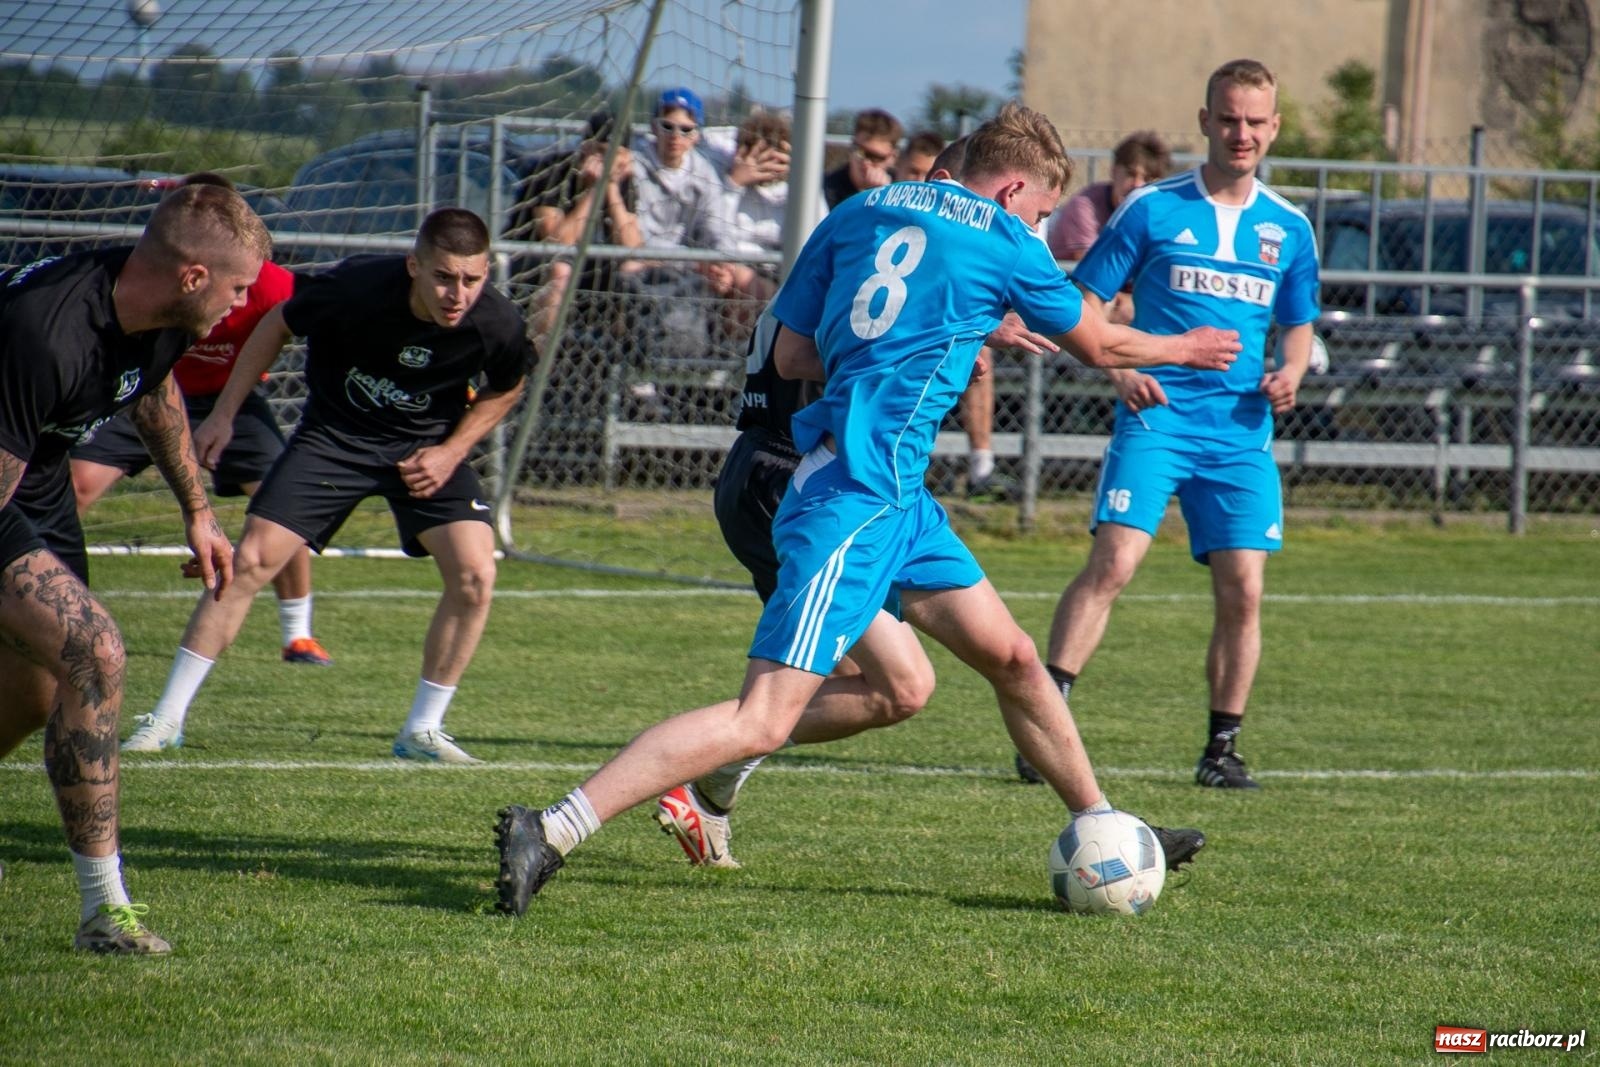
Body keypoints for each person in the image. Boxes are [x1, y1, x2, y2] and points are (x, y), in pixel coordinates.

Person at [492, 103, 1240, 914]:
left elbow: (789, 351)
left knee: (1014, 658)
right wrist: (1183, 347)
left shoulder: (861, 208)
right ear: (1015, 186)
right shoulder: (1003, 235)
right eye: (1040, 211)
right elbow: (1097, 341)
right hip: (850, 499)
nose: (1038, 227)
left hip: (896, 497)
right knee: (761, 718)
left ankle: (1105, 822)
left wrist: (944, 331)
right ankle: (556, 825)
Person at [124, 209, 535, 764]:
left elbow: (508, 387)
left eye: (471, 278)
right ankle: (164, 719)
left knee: (476, 573)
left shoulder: (496, 322)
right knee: (249, 562)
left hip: (424, 452)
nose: (456, 293)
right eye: (442, 276)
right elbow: (276, 325)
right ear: (414, 265)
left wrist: (452, 451)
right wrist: (224, 414)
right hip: (335, 438)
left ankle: (422, 731)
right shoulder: (356, 286)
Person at [0, 182, 267, 953]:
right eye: (238, 287)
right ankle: (103, 911)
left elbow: (150, 390)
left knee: (40, 683)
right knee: (94, 647)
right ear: (192, 277)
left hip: (36, 468)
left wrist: (198, 509)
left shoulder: (159, 313)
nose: (242, 306)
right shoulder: (45, 333)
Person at [1043, 59, 1320, 791]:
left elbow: (1297, 327)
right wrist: (1119, 370)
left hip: (1239, 430)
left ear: (1274, 128)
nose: (1242, 133)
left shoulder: (1289, 227)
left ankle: (1221, 750)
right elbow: (1085, 305)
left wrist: (1291, 371)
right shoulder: (1151, 209)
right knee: (1115, 564)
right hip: (1157, 417)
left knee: (1245, 589)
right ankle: (1043, 719)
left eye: (1256, 121)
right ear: (1204, 121)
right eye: (1229, 118)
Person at [69, 172, 331, 675]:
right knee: (76, 484)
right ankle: (42, 590)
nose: (236, 297)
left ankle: (298, 633)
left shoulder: (271, 282)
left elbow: (308, 320)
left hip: (227, 401)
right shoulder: (149, 277)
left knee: (283, 506)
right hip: (148, 391)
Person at [519, 110, 642, 348]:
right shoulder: (553, 171)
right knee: (561, 272)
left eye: (615, 156)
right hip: (532, 264)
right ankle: (537, 361)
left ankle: (620, 368)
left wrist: (612, 187)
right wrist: (593, 191)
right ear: (586, 148)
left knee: (632, 270)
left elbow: (632, 246)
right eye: (602, 154)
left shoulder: (621, 181)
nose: (608, 164)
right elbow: (558, 241)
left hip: (592, 268)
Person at [1046, 130, 1172, 328]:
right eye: (1131, 173)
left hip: (1124, 293)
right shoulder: (1085, 205)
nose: (1137, 185)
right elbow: (1094, 276)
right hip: (1072, 291)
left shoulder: (1157, 213)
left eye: (1147, 178)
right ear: (1114, 170)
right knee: (1107, 304)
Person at [822, 108, 902, 210]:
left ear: (893, 157)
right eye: (860, 152)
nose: (866, 162)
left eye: (875, 157)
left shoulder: (901, 192)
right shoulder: (826, 189)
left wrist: (885, 197)